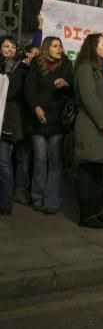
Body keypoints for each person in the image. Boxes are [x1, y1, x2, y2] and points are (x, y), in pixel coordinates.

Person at [24, 37, 73, 213]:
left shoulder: (67, 65)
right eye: (55, 46)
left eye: (60, 46)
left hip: (58, 121)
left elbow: (74, 89)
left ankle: (51, 200)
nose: (59, 49)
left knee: (55, 161)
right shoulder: (37, 64)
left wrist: (67, 84)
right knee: (39, 160)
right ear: (47, 48)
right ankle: (37, 197)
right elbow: (28, 89)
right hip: (39, 120)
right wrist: (35, 107)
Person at [73, 33, 103, 229]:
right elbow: (89, 98)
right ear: (93, 47)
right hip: (91, 127)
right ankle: (86, 215)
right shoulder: (84, 69)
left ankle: (97, 210)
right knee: (88, 171)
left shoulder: (100, 69)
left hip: (99, 127)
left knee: (100, 171)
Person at [0, 36, 29, 215]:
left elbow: (11, 93)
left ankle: (5, 204)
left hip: (8, 121)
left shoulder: (20, 68)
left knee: (3, 162)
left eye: (12, 46)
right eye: (5, 46)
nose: (10, 49)